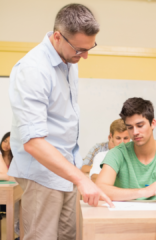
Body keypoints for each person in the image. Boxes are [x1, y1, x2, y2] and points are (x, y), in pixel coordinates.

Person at [8, 4, 113, 240]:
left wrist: (76, 176)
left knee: (70, 236)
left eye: (89, 48)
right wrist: (81, 179)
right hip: (41, 173)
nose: (84, 55)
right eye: (79, 49)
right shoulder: (33, 70)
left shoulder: (69, 60)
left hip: (68, 169)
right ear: (57, 37)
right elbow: (33, 142)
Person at [96, 97, 156, 201]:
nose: (135, 132)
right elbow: (100, 189)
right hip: (124, 216)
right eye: (130, 127)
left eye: (140, 125)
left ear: (153, 123)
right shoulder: (117, 153)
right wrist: (143, 191)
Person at [0, 132, 20, 239]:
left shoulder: (16, 158)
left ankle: (18, 231)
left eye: (10, 142)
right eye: (5, 141)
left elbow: (15, 177)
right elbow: (8, 177)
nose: (6, 144)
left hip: (13, 189)